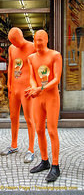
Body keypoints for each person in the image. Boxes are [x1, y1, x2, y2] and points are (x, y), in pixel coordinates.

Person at [25, 30, 62, 182]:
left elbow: (56, 79)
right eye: (35, 40)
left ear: (47, 40)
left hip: (51, 97)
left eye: (40, 40)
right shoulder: (31, 58)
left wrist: (40, 88)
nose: (38, 43)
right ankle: (45, 161)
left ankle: (55, 165)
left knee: (52, 130)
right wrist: (34, 87)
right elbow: (32, 77)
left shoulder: (55, 55)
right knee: (39, 129)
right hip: (37, 99)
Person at [0, 27, 36, 163]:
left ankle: (31, 149)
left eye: (16, 41)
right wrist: (9, 86)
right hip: (14, 89)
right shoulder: (11, 49)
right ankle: (14, 145)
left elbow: (38, 66)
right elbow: (10, 66)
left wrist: (35, 87)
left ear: (21, 37)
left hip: (27, 89)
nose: (15, 44)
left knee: (29, 119)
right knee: (13, 117)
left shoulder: (32, 47)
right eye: (12, 42)